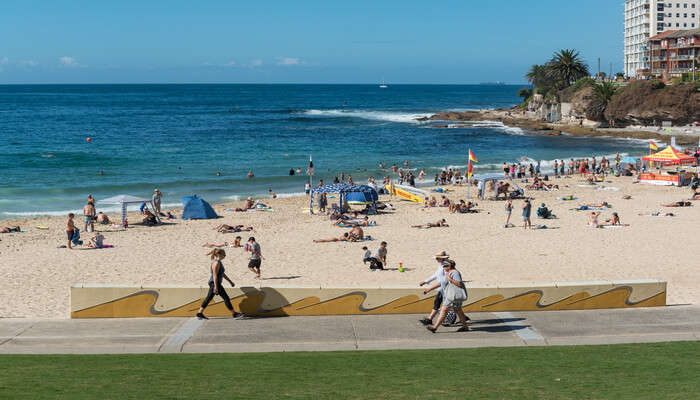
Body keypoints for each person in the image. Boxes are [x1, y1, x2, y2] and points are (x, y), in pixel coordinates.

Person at [196, 248, 244, 320]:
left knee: (209, 298)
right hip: (215, 283)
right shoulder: (216, 263)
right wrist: (216, 286)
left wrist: (230, 281)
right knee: (226, 298)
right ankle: (234, 314)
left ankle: (199, 313)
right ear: (219, 254)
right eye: (224, 254)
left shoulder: (219, 262)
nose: (225, 256)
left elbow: (222, 274)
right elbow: (215, 275)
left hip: (215, 283)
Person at [423, 260, 470, 333]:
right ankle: (465, 327)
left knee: (444, 310)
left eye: (445, 266)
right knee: (458, 310)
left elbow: (459, 284)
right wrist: (429, 289)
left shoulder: (455, 273)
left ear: (450, 266)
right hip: (449, 296)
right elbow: (441, 283)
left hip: (452, 296)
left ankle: (435, 327)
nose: (443, 267)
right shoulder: (448, 273)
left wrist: (450, 279)